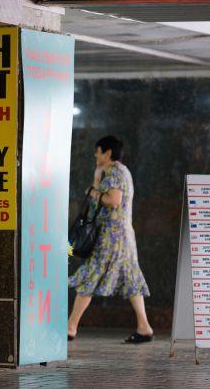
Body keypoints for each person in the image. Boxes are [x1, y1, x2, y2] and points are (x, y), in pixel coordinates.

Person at [68, 135, 153, 343]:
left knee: (91, 274)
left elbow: (113, 200)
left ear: (107, 153)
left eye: (98, 151)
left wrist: (92, 191)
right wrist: (97, 180)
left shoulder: (115, 172)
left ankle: (70, 327)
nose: (95, 155)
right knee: (130, 277)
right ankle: (144, 327)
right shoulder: (120, 171)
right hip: (122, 236)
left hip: (111, 237)